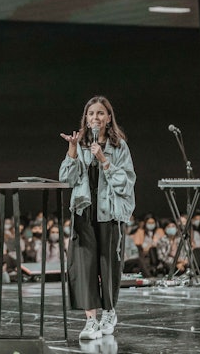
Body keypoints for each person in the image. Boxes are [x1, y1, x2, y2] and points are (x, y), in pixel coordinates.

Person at [59, 95, 136, 340]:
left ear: (108, 118)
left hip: (109, 213)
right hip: (84, 212)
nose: (95, 118)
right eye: (91, 114)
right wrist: (72, 151)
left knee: (108, 265)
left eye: (100, 113)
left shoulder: (119, 146)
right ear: (86, 118)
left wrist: (104, 161)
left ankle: (109, 312)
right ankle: (91, 320)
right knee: (84, 267)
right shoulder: (79, 144)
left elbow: (126, 183)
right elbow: (66, 180)